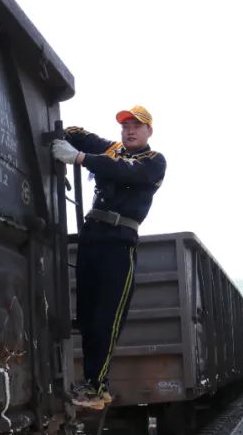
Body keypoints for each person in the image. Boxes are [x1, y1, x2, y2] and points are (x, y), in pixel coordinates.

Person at [50, 105, 167, 409]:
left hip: (119, 242)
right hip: (92, 237)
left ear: (149, 131)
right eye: (125, 126)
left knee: (106, 317)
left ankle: (97, 386)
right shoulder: (112, 149)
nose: (130, 130)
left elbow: (125, 171)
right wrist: (57, 134)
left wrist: (79, 158)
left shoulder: (154, 161)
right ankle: (91, 384)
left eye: (136, 126)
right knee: (87, 316)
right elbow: (79, 134)